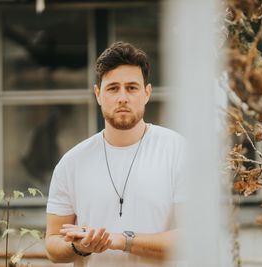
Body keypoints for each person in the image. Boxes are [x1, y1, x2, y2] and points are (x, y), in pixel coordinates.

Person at [45, 41, 187, 267]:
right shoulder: (72, 162)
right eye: (113, 88)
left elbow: (193, 238)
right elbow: (52, 245)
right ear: (98, 94)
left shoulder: (178, 151)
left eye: (132, 88)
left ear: (147, 93)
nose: (123, 97)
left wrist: (121, 240)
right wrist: (78, 247)